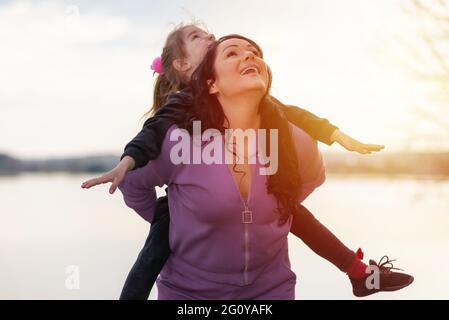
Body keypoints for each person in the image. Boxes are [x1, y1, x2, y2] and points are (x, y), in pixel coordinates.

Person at [82, 25, 412, 299]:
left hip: (271, 285)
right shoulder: (179, 120)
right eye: (200, 39)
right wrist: (141, 171)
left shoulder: (270, 115)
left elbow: (295, 120)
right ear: (185, 66)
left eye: (214, 37)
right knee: (155, 248)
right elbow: (154, 131)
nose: (212, 39)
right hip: (184, 252)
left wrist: (268, 206)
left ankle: (357, 272)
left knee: (285, 205)